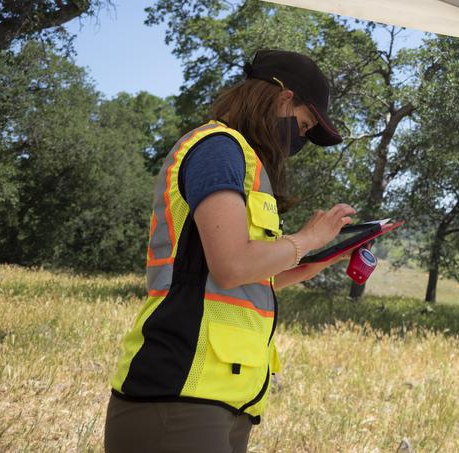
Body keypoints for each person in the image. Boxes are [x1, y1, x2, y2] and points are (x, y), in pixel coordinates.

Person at [104, 49, 356, 453]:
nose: (303, 139)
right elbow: (233, 265)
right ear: (282, 100)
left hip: (221, 398)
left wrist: (316, 260)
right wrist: (306, 239)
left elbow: (241, 279)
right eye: (305, 125)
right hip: (180, 392)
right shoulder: (219, 150)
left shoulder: (241, 161)